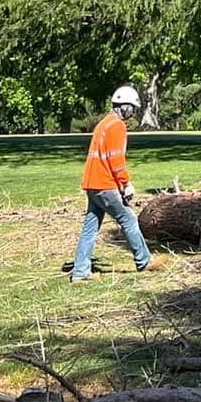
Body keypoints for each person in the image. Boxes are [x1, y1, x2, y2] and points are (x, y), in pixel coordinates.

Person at [69, 83, 158, 282]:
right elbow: (116, 159)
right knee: (129, 219)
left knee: (90, 227)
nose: (132, 113)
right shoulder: (117, 126)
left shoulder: (103, 123)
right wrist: (125, 184)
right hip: (105, 184)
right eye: (132, 109)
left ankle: (80, 272)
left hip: (92, 183)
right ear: (124, 107)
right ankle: (144, 261)